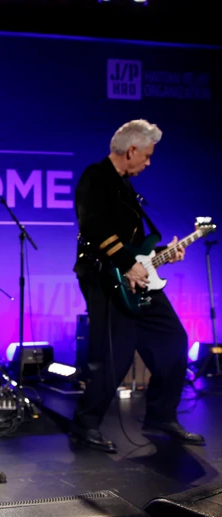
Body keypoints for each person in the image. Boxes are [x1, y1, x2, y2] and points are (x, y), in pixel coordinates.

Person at [70, 119, 204, 453]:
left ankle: (161, 415)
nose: (148, 162)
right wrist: (126, 264)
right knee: (115, 355)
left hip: (136, 279)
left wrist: (163, 253)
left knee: (174, 339)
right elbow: (93, 227)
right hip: (105, 278)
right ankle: (86, 425)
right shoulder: (96, 177)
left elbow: (135, 248)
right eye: (146, 155)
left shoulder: (126, 186)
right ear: (131, 150)